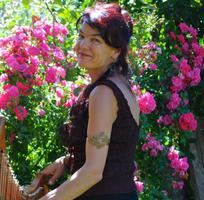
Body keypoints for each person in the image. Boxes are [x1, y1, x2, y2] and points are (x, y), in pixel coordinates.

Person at [39, 2, 140, 200]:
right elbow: (115, 153)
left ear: (116, 51)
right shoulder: (119, 84)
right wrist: (67, 161)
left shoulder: (103, 93)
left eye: (95, 40)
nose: (83, 46)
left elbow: (93, 172)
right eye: (82, 36)